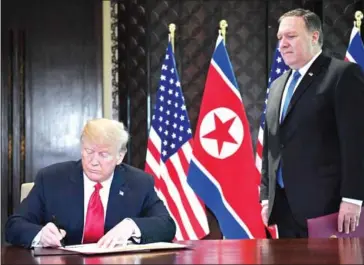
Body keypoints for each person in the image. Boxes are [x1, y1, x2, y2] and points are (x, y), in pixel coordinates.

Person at [260, 8, 364, 238]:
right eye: (279, 38)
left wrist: (353, 197)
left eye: (291, 36)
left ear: (314, 36)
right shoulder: (278, 84)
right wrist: (267, 196)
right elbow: (272, 145)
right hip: (284, 209)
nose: (282, 44)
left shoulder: (342, 75)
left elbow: (356, 142)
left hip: (328, 209)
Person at [5, 118, 176, 248]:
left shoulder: (139, 182)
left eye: (103, 154)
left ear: (119, 157)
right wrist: (40, 234)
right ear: (82, 148)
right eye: (89, 151)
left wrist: (132, 226)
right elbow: (14, 225)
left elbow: (167, 225)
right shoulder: (51, 178)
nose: (94, 161)